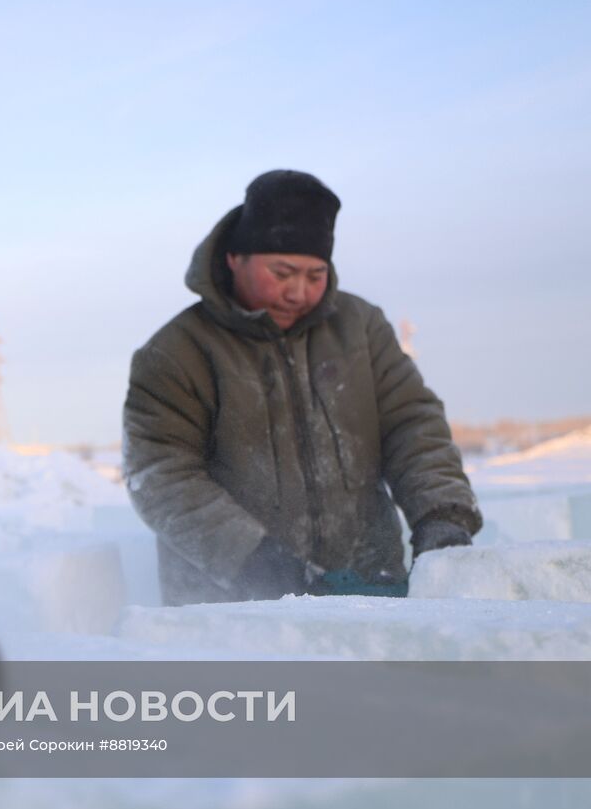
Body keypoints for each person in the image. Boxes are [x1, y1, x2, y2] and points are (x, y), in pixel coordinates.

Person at [124, 169, 480, 606]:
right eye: (283, 272)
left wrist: (442, 515)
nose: (298, 292)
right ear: (235, 258)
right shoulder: (176, 352)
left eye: (315, 275)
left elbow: (412, 424)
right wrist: (255, 561)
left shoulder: (361, 328)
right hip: (230, 604)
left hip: (370, 590)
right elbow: (161, 475)